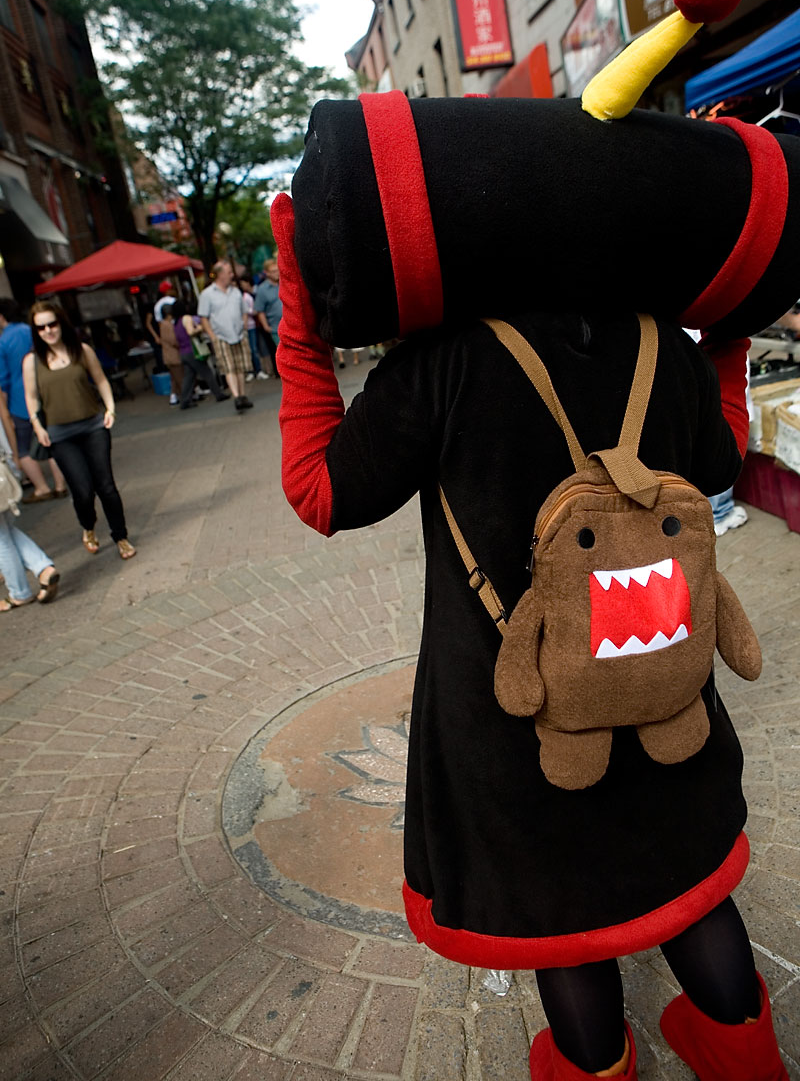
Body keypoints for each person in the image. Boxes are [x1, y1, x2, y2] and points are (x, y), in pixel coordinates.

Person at [275, 212, 788, 1080]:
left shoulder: (446, 360)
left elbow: (319, 489)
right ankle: (746, 1057)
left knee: (560, 908)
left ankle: (595, 1067)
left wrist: (300, 303)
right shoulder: (663, 345)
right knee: (685, 874)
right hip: (665, 682)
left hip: (514, 711)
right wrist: (732, 327)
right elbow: (721, 458)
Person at [22, 302, 136, 560]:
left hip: (93, 426)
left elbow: (101, 380)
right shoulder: (32, 361)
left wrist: (110, 409)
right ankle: (88, 526)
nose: (48, 331)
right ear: (35, 331)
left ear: (61, 323)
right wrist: (37, 425)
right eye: (41, 327)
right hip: (60, 435)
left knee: (106, 487)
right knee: (83, 491)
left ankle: (121, 536)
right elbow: (31, 396)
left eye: (52, 324)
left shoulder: (82, 351)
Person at [0, 298, 67, 502]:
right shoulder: (33, 330)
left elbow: (3, 380)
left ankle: (41, 488)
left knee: (22, 449)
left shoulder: (3, 341)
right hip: (45, 392)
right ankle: (60, 485)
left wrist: (5, 410)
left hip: (19, 402)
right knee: (52, 441)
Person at [0, 386, 59, 609]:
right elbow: (5, 417)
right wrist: (14, 457)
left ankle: (20, 592)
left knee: (1, 538)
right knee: (6, 529)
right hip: (3, 468)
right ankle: (43, 568)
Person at [197, 260, 253, 412]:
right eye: (229, 273)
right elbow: (203, 318)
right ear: (220, 274)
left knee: (240, 367)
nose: (232, 275)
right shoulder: (207, 294)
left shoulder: (235, 291)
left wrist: (244, 327)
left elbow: (244, 311)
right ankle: (236, 397)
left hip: (239, 335)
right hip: (221, 337)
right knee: (229, 368)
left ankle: (242, 396)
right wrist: (213, 336)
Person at [170, 300, 230, 410]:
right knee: (207, 372)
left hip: (183, 352)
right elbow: (190, 332)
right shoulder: (186, 318)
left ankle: (185, 400)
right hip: (193, 350)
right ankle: (218, 394)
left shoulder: (176, 323)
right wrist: (200, 328)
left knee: (189, 377)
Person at [253, 257, 281, 378]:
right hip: (276, 327)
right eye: (273, 271)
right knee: (284, 352)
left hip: (292, 323)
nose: (276, 273)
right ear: (267, 273)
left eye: (277, 270)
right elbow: (260, 310)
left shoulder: (285, 282)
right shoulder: (262, 289)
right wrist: (266, 326)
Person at [157, 306, 185, 406]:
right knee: (180, 377)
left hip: (169, 356)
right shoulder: (167, 325)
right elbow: (173, 340)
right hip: (173, 355)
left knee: (174, 378)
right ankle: (185, 397)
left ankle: (174, 397)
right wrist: (181, 344)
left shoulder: (164, 324)